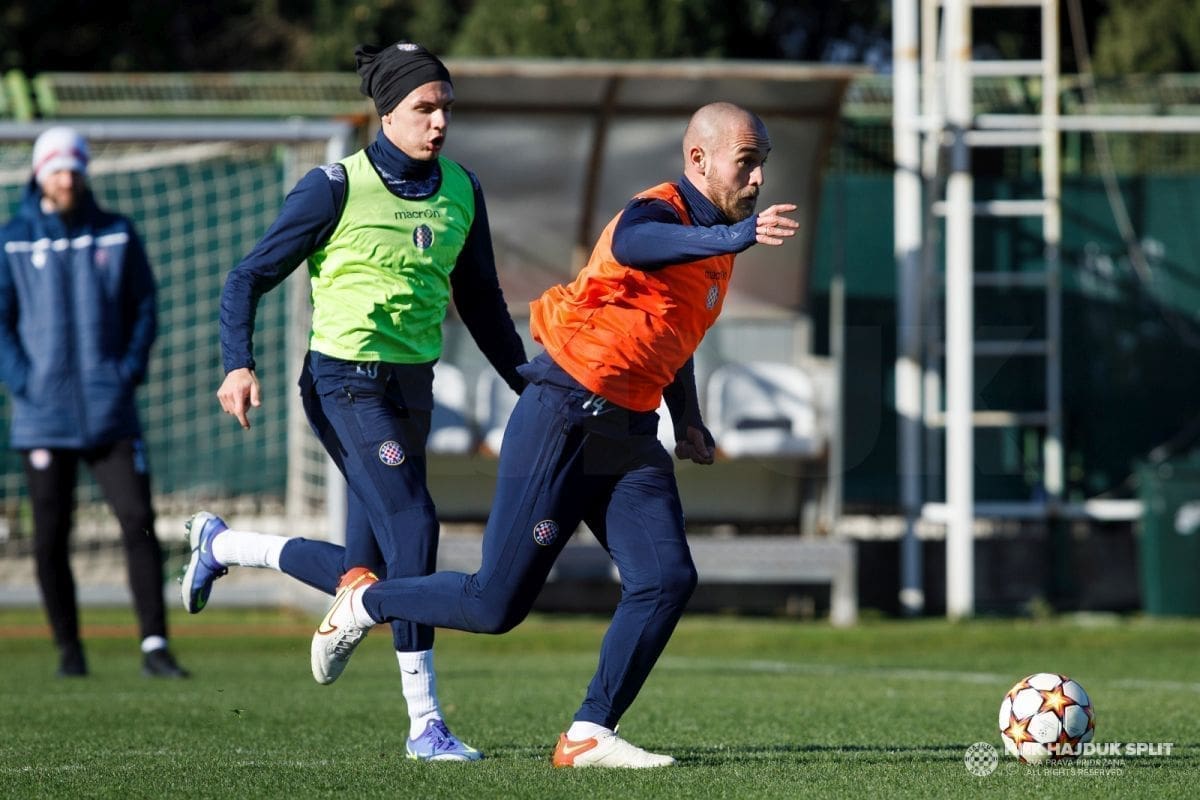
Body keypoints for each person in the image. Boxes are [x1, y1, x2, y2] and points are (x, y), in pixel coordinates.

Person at [306, 101, 799, 768]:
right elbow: (634, 244)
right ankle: (366, 603)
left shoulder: (716, 245)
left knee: (667, 577)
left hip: (629, 432)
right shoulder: (658, 212)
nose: (758, 177)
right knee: (494, 605)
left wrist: (686, 418)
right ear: (698, 160)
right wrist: (734, 238)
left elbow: (672, 334)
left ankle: (589, 732)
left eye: (763, 163)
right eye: (746, 162)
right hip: (565, 413)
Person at [181, 42, 527, 761]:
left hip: (414, 387)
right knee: (416, 523)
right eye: (424, 108)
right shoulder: (334, 186)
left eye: (446, 108)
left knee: (364, 573)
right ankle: (425, 724)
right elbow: (245, 278)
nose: (439, 122)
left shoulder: (464, 188)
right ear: (388, 112)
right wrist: (237, 364)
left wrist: (526, 381)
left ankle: (222, 546)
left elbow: (483, 300)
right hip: (344, 382)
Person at [0, 127, 188, 679]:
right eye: (57, 169)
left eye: (74, 169)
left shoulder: (116, 232)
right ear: (40, 174)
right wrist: (24, 381)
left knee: (138, 521)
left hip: (111, 412)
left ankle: (155, 646)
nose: (66, 179)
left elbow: (144, 306)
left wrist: (126, 372)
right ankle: (69, 651)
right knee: (51, 536)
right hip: (42, 417)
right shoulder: (12, 239)